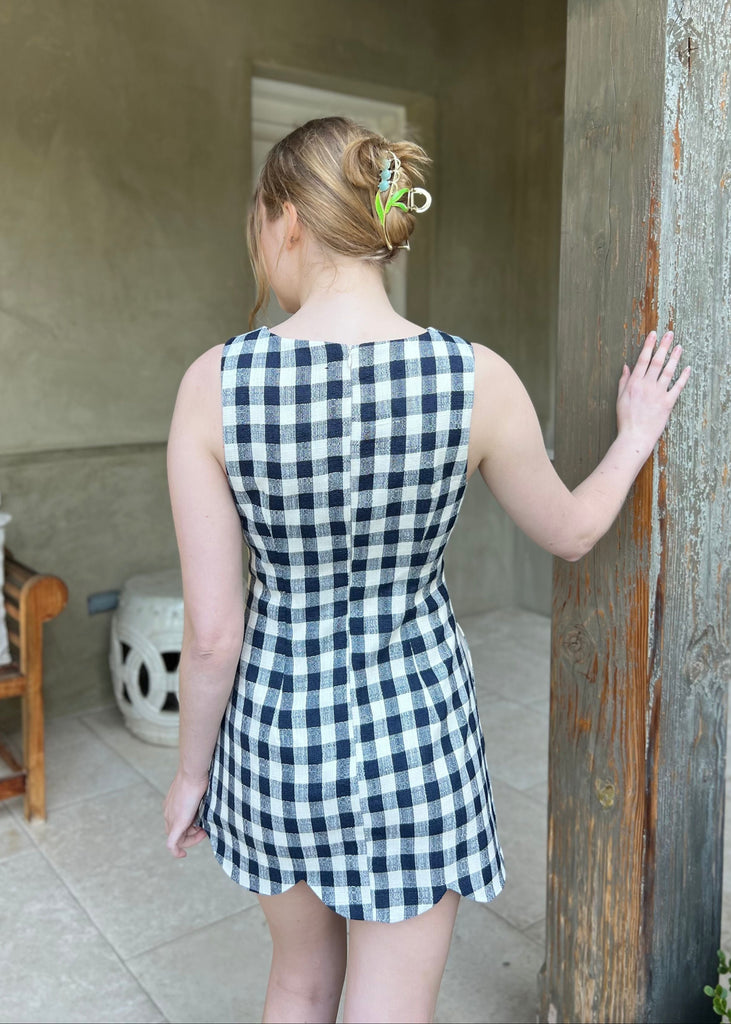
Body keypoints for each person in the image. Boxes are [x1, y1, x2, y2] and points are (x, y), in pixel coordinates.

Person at [163, 116, 691, 1024]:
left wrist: (188, 773)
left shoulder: (214, 383)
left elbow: (213, 636)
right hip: (416, 736)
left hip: (275, 738)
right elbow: (569, 532)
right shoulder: (475, 378)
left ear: (286, 220)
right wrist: (635, 435)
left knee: (296, 983)